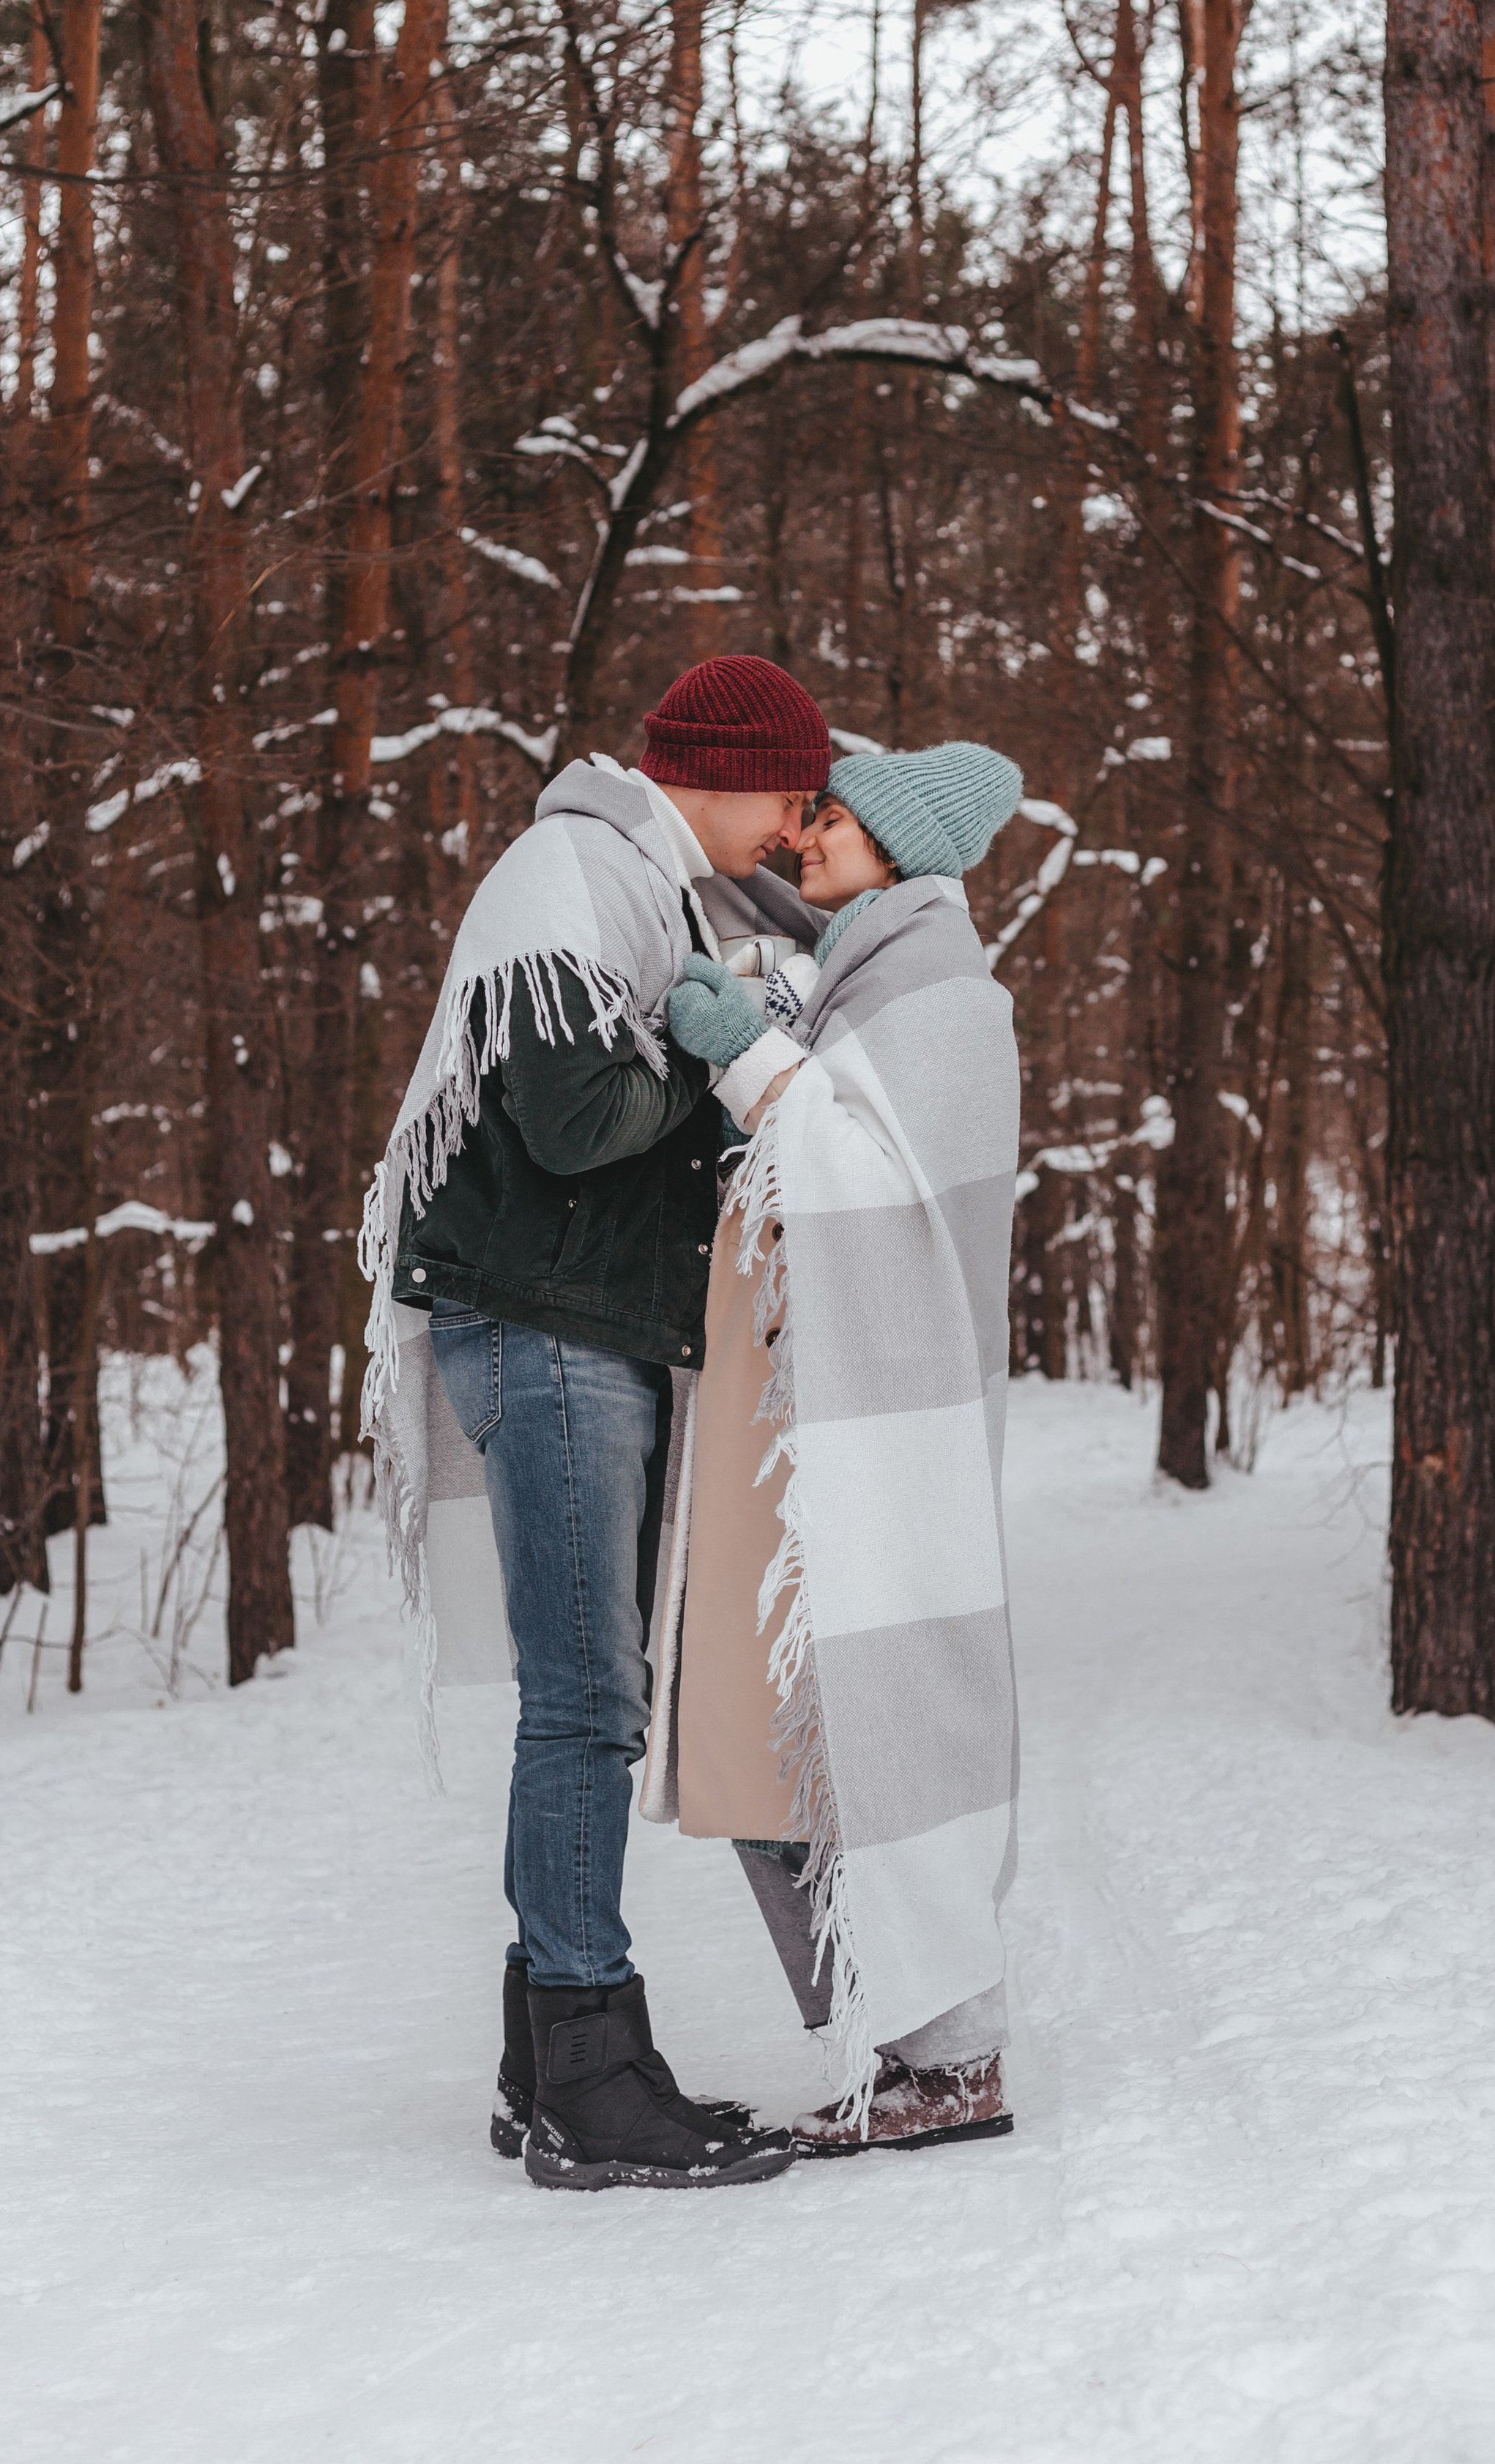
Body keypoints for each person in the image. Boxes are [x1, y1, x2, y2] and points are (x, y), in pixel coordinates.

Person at [359, 655, 829, 2192]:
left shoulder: (650, 885)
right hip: (546, 1328)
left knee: (586, 1700)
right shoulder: (577, 872)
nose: (794, 820)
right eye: (787, 790)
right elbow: (569, 1125)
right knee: (586, 1706)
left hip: (577, 1329)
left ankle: (540, 2056)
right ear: (715, 770)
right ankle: (586, 2072)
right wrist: (712, 1058)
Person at [646, 742, 1025, 2154]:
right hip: (803, 1425)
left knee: (885, 1723)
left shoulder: (945, 996)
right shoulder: (853, 970)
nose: (805, 836)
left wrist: (744, 1058)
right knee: (765, 1736)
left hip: (888, 1432)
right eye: (811, 812)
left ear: (899, 849)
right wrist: (752, 1019)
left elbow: (876, 1186)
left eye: (834, 821)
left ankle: (949, 2059)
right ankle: (891, 2038)